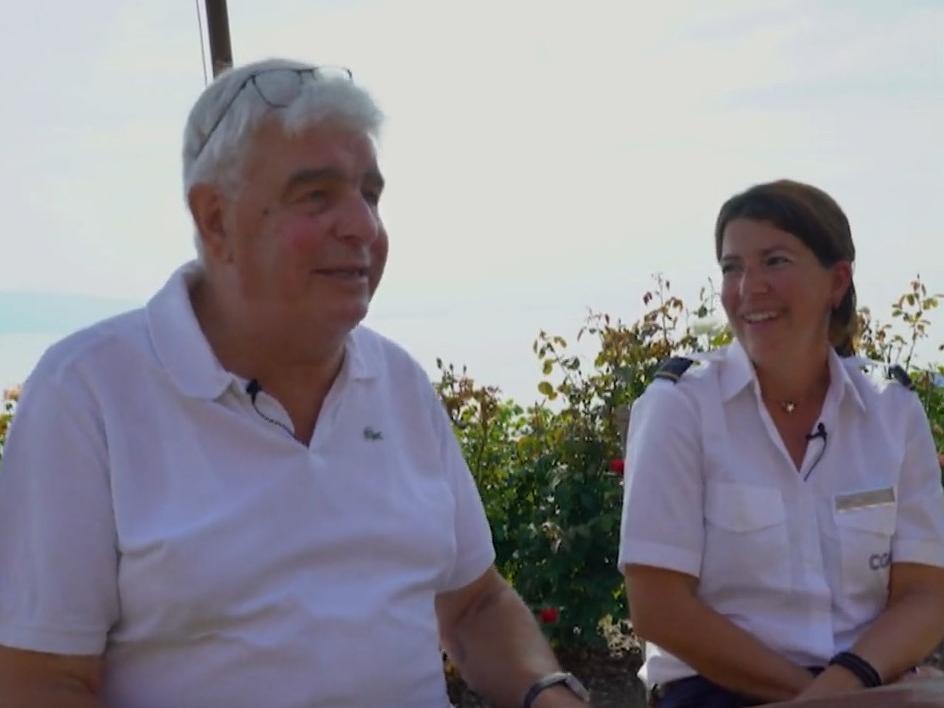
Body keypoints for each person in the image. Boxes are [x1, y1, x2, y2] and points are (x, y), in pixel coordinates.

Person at [0, 58, 591, 708]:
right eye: (317, 195)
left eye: (370, 193)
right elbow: (41, 681)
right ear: (216, 220)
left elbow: (475, 604)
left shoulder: (398, 383)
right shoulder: (88, 395)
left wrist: (547, 695)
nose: (363, 226)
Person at [618, 179, 944, 707]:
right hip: (715, 691)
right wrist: (818, 701)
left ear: (836, 282)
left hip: (867, 681)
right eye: (732, 267)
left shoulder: (893, 410)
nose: (749, 287)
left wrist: (845, 687)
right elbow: (658, 608)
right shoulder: (680, 406)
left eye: (774, 261)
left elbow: (925, 595)